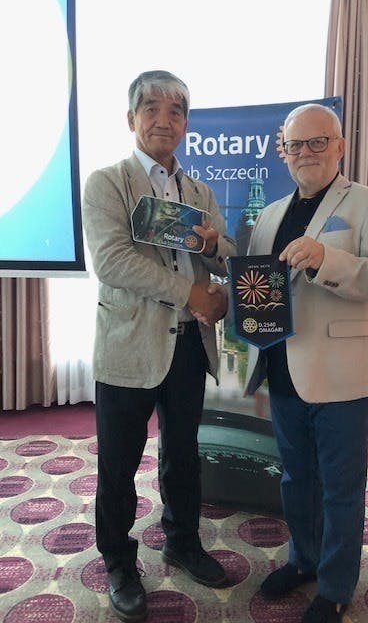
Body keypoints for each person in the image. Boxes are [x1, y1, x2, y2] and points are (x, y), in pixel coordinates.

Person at [244, 104, 368, 623]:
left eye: (318, 142)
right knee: (296, 479)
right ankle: (303, 560)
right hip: (281, 369)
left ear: (340, 146)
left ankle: (336, 586)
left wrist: (326, 259)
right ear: (284, 152)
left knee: (341, 487)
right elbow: (258, 287)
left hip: (344, 375)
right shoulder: (270, 214)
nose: (306, 153)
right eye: (296, 145)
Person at [82, 70, 235, 623]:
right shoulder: (108, 183)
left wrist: (217, 250)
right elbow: (113, 262)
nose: (163, 120)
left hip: (189, 345)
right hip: (128, 344)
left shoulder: (199, 193)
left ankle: (183, 542)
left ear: (187, 124)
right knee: (118, 464)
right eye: (151, 108)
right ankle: (119, 561)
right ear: (132, 119)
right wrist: (191, 292)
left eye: (175, 111)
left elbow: (224, 254)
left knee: (183, 456)